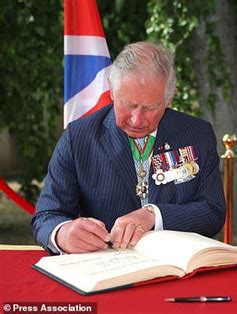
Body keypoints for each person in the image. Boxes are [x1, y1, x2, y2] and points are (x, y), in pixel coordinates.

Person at [32, 41, 226, 254]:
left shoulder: (197, 134)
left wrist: (153, 215)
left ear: (169, 98)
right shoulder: (78, 138)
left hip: (177, 267)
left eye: (150, 108)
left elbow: (213, 213)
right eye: (128, 104)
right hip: (106, 270)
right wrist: (63, 233)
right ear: (112, 91)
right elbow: (46, 216)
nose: (136, 119)